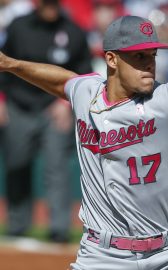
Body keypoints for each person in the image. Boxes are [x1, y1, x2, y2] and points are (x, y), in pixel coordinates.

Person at [0, 15, 168, 270]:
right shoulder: (87, 93)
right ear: (112, 59)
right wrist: (10, 64)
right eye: (139, 56)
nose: (149, 64)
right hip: (101, 257)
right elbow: (63, 81)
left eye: (152, 55)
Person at [0, 0, 92, 242]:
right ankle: (17, 225)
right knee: (16, 163)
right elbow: (3, 64)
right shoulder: (19, 26)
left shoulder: (73, 30)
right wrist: (1, 100)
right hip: (18, 105)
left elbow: (84, 72)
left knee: (57, 168)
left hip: (55, 108)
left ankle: (59, 228)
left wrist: (66, 103)